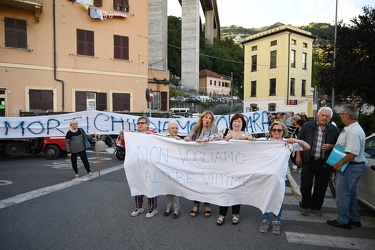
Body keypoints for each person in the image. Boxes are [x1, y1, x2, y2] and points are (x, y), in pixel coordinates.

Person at [259, 121, 310, 235]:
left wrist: (296, 140)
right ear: (271, 131)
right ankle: (265, 219)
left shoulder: (288, 143)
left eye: (279, 130)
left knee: (278, 198)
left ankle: (277, 220)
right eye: (274, 130)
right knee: (266, 197)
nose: (276, 132)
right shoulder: (264, 142)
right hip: (266, 176)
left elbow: (307, 147)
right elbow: (249, 143)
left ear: (283, 131)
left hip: (280, 176)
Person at [327, 104, 367, 229]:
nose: (341, 116)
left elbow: (352, 153)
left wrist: (339, 163)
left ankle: (343, 220)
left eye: (342, 114)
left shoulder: (353, 131)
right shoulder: (353, 128)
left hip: (350, 167)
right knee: (351, 194)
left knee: (343, 195)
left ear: (348, 116)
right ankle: (354, 218)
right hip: (354, 166)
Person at [296, 107, 340, 217]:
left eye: (327, 116)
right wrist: (298, 156)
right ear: (318, 115)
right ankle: (305, 206)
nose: (324, 118)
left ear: (330, 118)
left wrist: (331, 146)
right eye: (322, 115)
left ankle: (316, 207)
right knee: (306, 185)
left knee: (321, 186)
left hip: (324, 163)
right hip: (308, 160)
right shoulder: (307, 126)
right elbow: (299, 141)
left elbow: (340, 145)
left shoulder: (334, 130)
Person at [210, 113, 253, 225]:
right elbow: (211, 139)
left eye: (239, 121)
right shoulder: (225, 131)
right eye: (235, 121)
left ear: (243, 124)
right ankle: (222, 214)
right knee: (224, 190)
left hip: (239, 168)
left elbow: (254, 144)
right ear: (232, 122)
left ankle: (235, 214)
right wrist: (225, 139)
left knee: (236, 190)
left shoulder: (246, 134)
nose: (237, 123)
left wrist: (248, 139)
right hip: (225, 167)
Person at [184, 110, 218, 217]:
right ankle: (196, 205)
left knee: (206, 182)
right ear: (202, 118)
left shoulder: (213, 128)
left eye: (210, 118)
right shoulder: (195, 127)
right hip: (196, 159)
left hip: (208, 158)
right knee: (197, 182)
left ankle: (206, 205)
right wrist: (188, 138)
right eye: (206, 117)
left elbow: (214, 138)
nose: (207, 120)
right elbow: (190, 136)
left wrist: (205, 139)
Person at [130, 116, 158, 218]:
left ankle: (153, 208)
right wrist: (124, 136)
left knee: (150, 186)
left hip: (149, 165)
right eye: (138, 123)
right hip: (137, 165)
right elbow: (126, 147)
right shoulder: (133, 135)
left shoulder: (152, 134)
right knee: (137, 185)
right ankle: (139, 207)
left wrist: (151, 134)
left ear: (147, 125)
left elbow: (159, 141)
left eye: (142, 123)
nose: (140, 125)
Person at [164, 120, 182, 219]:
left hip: (177, 168)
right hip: (166, 168)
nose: (175, 130)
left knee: (176, 190)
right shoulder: (164, 139)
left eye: (176, 128)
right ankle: (168, 208)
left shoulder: (181, 139)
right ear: (168, 129)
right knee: (168, 189)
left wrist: (180, 141)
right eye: (173, 128)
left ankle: (176, 209)